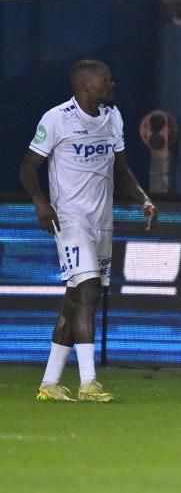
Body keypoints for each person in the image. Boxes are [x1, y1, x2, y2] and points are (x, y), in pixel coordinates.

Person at [20, 60, 158, 402]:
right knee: (89, 289)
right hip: (70, 219)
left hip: (102, 221)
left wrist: (143, 198)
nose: (112, 84)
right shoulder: (57, 118)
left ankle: (49, 382)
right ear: (85, 86)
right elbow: (28, 167)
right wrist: (40, 202)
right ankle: (88, 382)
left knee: (75, 299)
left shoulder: (113, 117)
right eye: (104, 80)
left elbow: (121, 169)